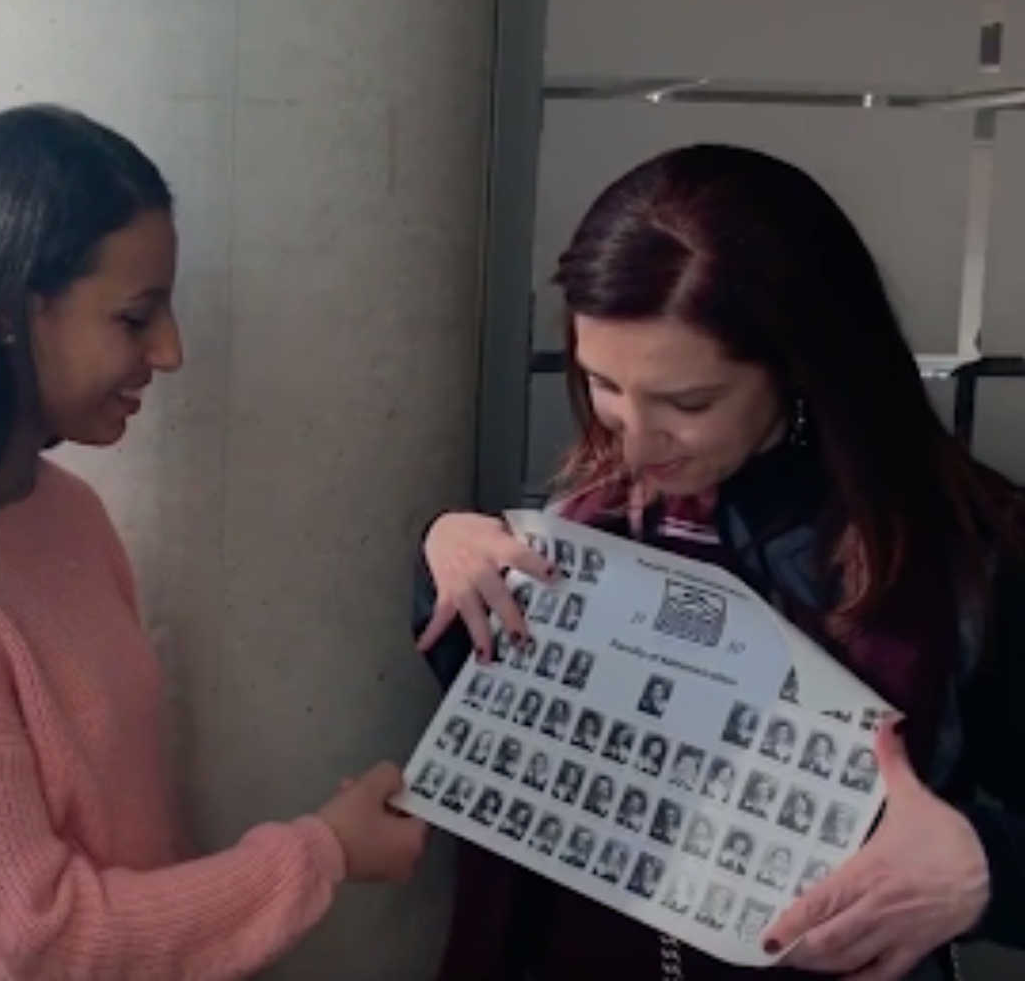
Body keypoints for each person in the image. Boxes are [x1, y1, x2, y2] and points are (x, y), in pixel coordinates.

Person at [0, 104, 427, 979]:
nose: (173, 351)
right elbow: (33, 946)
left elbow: (129, 841)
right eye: (136, 316)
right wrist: (322, 855)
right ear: (13, 310)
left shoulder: (65, 510)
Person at [409, 144, 1025, 981]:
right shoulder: (589, 519)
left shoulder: (965, 555)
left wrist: (988, 866)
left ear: (801, 366)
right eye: (604, 385)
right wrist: (452, 560)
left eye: (688, 402)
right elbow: (531, 750)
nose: (634, 437)